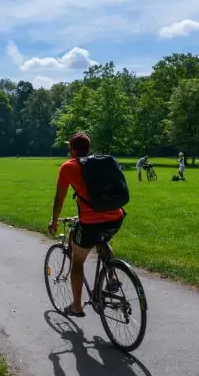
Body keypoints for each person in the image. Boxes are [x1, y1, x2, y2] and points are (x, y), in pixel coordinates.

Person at [48, 132, 126, 317]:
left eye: (69, 148)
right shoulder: (102, 162)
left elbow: (59, 198)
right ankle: (112, 276)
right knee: (102, 240)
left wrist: (53, 221)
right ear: (89, 149)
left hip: (91, 222)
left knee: (77, 261)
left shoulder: (68, 167)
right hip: (116, 217)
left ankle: (77, 306)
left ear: (72, 150)